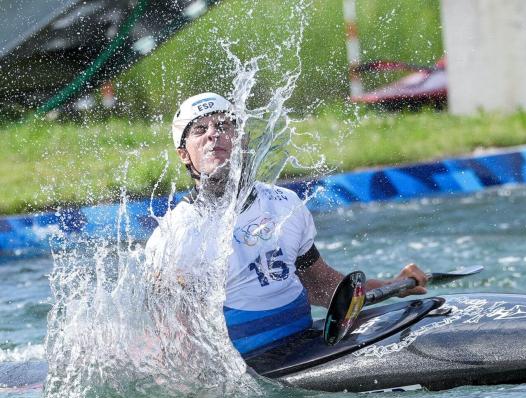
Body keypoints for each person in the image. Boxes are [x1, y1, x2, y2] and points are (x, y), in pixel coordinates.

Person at [145, 92, 428, 355]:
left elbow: (319, 285)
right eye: (199, 130)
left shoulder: (284, 203)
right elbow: (174, 337)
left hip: (305, 346)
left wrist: (394, 284)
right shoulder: (174, 236)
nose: (213, 135)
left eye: (223, 125)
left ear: (241, 140)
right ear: (183, 153)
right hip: (246, 369)